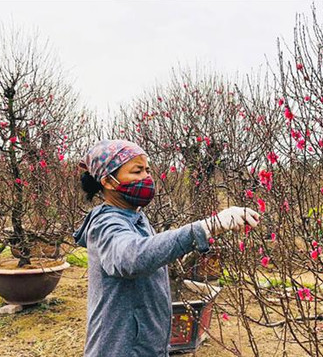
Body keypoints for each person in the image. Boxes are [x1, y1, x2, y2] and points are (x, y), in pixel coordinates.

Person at [72, 139, 260, 356]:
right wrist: (205, 227)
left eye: (147, 170)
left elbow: (153, 251)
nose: (146, 178)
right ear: (108, 181)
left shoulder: (135, 217)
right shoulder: (106, 224)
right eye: (137, 171)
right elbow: (132, 258)